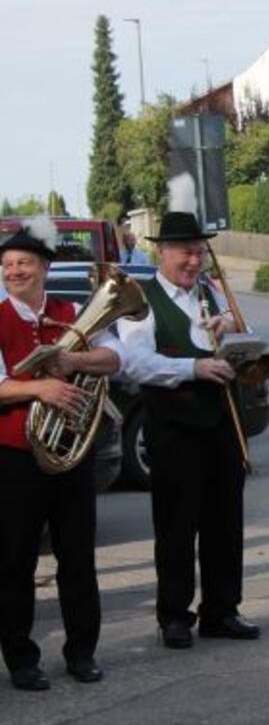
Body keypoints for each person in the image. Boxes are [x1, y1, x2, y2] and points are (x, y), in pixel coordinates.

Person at [117, 211, 259, 649]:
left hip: (221, 423)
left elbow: (238, 329)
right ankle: (174, 616)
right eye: (185, 252)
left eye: (198, 252)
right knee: (177, 526)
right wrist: (193, 367)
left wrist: (231, 328)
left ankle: (221, 610)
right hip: (175, 427)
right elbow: (135, 362)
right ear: (162, 252)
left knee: (225, 522)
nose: (194, 261)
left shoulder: (209, 291)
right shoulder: (140, 298)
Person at [0, 220, 123, 690]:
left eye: (24, 264)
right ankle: (21, 659)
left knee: (78, 558)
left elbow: (115, 359)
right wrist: (42, 388)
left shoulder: (74, 312)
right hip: (15, 456)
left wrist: (72, 361)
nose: (14, 272)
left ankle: (82, 653)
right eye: (8, 265)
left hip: (72, 452)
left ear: (44, 270)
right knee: (15, 560)